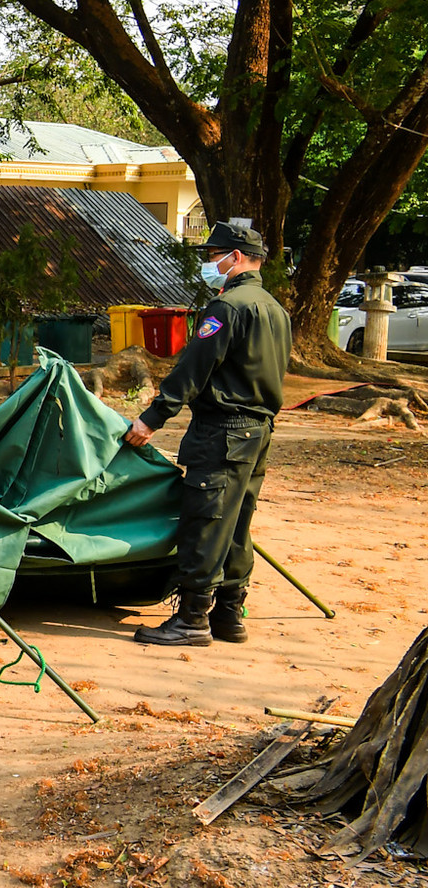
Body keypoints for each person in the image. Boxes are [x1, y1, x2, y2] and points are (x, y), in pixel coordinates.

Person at [123, 221, 290, 647]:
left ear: (235, 257)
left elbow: (193, 370)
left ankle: (193, 619)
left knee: (206, 520)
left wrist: (151, 419)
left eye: (213, 255)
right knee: (237, 523)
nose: (209, 264)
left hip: (223, 432)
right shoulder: (274, 308)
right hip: (259, 431)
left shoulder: (228, 308)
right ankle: (230, 615)